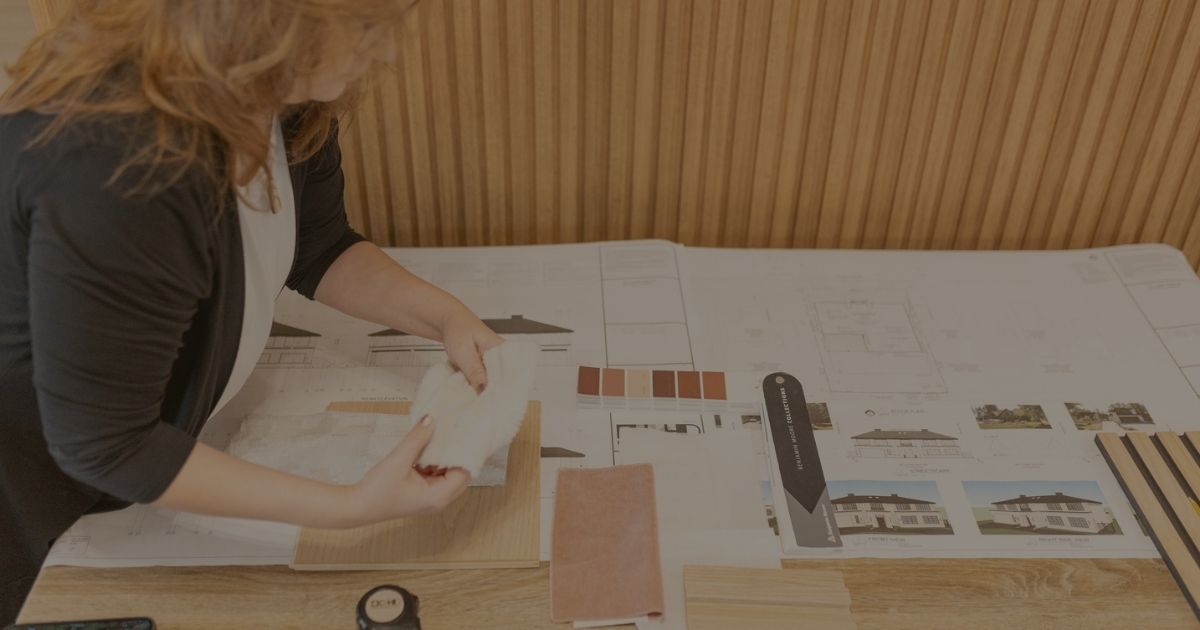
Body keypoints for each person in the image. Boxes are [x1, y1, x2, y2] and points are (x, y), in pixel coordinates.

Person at [0, 1, 502, 622]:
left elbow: (317, 246)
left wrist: (444, 316)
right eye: (367, 28)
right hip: (38, 488)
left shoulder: (276, 98)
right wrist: (347, 506)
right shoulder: (117, 165)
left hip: (130, 444)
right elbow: (106, 445)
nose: (387, 52)